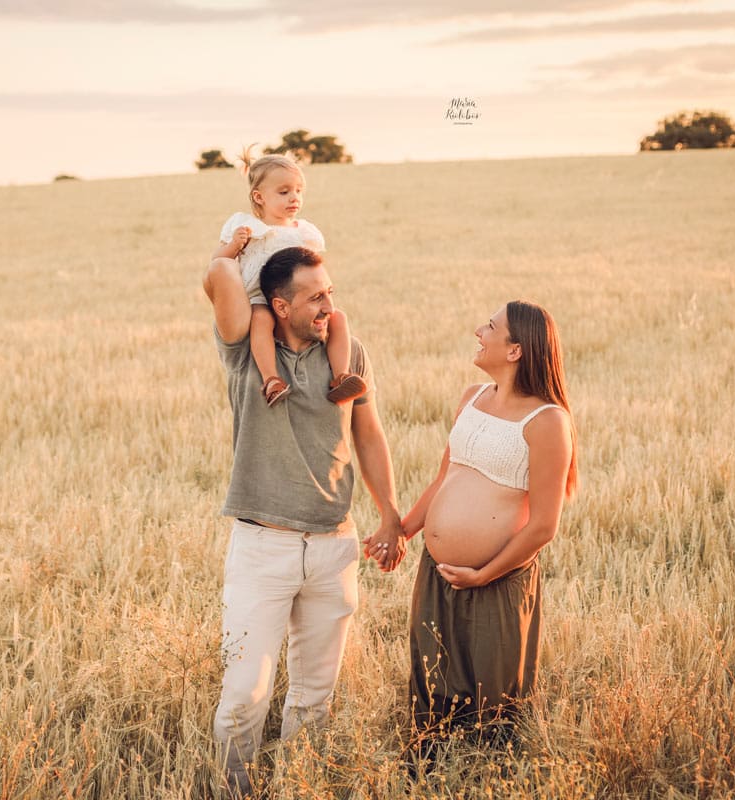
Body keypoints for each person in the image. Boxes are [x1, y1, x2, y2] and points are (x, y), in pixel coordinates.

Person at [201, 245, 406, 796]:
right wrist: (231, 248)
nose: (328, 307)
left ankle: (298, 787)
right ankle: (233, 790)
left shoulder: (348, 353)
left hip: (335, 546)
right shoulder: (246, 351)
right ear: (279, 305)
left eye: (330, 293)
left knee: (315, 698)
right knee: (245, 695)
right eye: (315, 297)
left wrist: (389, 513)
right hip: (262, 547)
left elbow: (369, 434)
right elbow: (217, 278)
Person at [397, 300, 577, 752]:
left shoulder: (548, 421)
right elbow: (444, 479)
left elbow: (543, 527)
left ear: (515, 350)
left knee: (493, 700)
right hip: (437, 574)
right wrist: (400, 532)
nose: (479, 330)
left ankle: (492, 778)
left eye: (491, 326)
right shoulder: (471, 397)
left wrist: (483, 573)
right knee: (432, 686)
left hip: (497, 581)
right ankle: (428, 773)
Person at [210, 150, 367, 406]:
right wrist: (234, 245)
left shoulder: (303, 231)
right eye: (284, 192)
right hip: (260, 297)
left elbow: (313, 270)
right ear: (258, 197)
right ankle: (272, 379)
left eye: (298, 191)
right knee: (261, 320)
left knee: (339, 318)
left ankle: (341, 376)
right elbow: (218, 263)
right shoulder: (246, 227)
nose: (294, 198)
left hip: (297, 300)